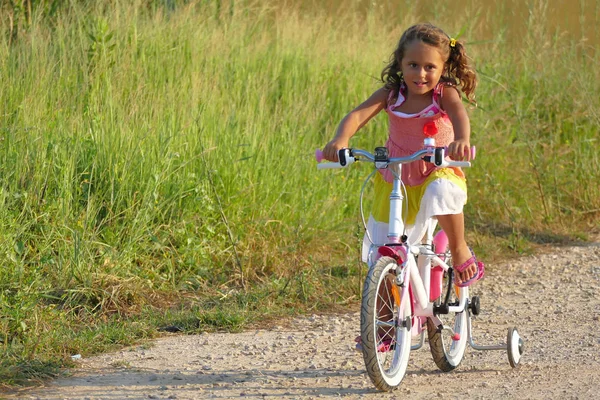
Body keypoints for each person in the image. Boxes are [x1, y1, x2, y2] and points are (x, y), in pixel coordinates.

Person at [322, 23, 483, 287]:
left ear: (443, 67)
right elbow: (358, 115)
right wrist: (341, 140)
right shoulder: (392, 94)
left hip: (436, 167)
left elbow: (458, 114)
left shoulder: (444, 94)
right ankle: (379, 324)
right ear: (401, 62)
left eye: (430, 67)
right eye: (413, 65)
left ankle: (459, 247)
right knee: (382, 251)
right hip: (396, 174)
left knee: (443, 191)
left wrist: (461, 140)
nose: (420, 74)